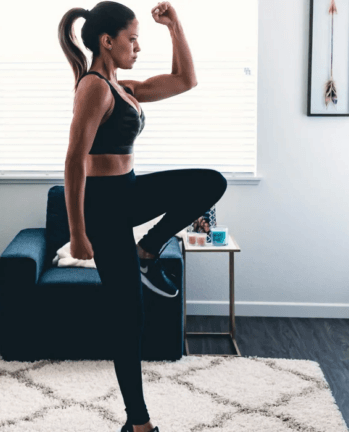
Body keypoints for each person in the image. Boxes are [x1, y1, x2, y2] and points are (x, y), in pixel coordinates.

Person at [58, 2, 228, 432]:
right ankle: (139, 423)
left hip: (127, 192)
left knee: (210, 183)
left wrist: (175, 26)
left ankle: (148, 249)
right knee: (128, 316)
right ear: (107, 41)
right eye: (132, 39)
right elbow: (74, 161)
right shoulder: (93, 87)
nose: (137, 47)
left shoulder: (122, 86)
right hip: (104, 207)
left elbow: (185, 80)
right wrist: (78, 234)